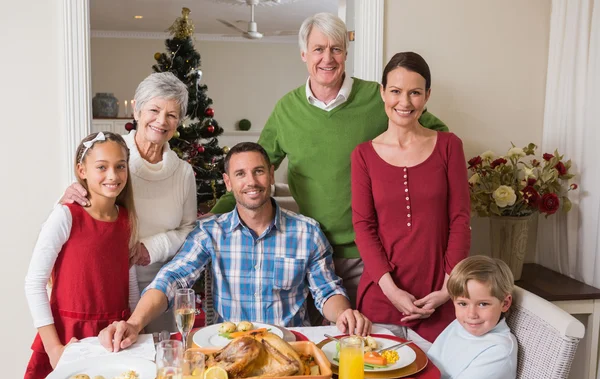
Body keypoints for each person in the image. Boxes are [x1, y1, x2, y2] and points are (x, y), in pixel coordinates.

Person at [210, 13, 448, 312]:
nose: (327, 58)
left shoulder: (379, 97)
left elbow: (436, 134)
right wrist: (214, 213)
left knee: (370, 341)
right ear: (303, 54)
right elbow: (253, 169)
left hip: (374, 252)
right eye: (318, 49)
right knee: (324, 341)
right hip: (312, 251)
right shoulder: (287, 109)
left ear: (346, 54)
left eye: (336, 49)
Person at [98, 142, 372, 352]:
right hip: (228, 351)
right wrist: (134, 323)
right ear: (228, 183)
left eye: (258, 171)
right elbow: (171, 279)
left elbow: (327, 291)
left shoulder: (307, 232)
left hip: (290, 350)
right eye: (240, 174)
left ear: (271, 175)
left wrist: (344, 314)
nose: (251, 182)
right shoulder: (211, 232)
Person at [60, 72, 197, 333]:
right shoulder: (110, 158)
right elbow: (79, 209)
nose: (161, 121)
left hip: (159, 285)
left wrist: (150, 248)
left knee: (154, 358)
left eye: (171, 114)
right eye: (154, 110)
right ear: (136, 110)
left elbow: (189, 230)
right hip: (106, 279)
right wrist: (67, 197)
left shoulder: (182, 173)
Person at [351, 52, 471, 350]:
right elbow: (363, 227)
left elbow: (461, 219)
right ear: (382, 92)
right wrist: (392, 292)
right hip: (381, 299)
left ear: (427, 96)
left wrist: (447, 288)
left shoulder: (449, 146)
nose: (404, 102)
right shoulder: (363, 155)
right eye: (395, 91)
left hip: (441, 298)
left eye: (415, 92)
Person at [24, 132, 138, 379]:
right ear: (82, 170)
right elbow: (34, 283)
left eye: (120, 167)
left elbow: (129, 280)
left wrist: (135, 327)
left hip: (113, 336)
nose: (113, 175)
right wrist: (54, 349)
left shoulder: (126, 219)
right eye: (102, 167)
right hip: (70, 336)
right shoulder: (65, 216)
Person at [428, 255, 518, 379]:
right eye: (462, 304)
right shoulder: (460, 325)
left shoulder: (500, 351)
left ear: (505, 303)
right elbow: (429, 365)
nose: (471, 314)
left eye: (483, 304)